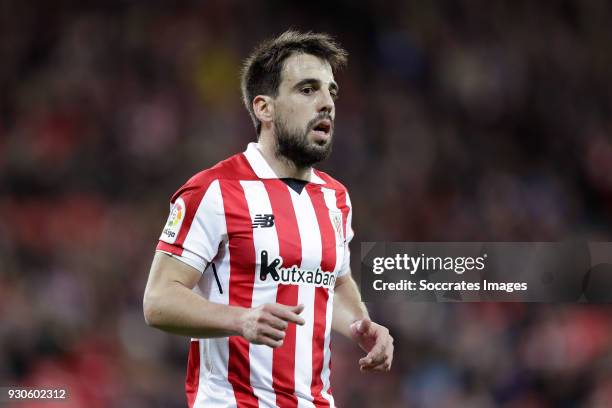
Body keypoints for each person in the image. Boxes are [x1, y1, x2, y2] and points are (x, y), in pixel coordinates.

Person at [143, 30, 393, 408]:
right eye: (308, 90)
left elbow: (333, 284)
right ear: (265, 108)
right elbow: (159, 300)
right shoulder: (214, 190)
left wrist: (361, 325)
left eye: (331, 91)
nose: (326, 103)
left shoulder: (334, 198)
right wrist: (240, 320)